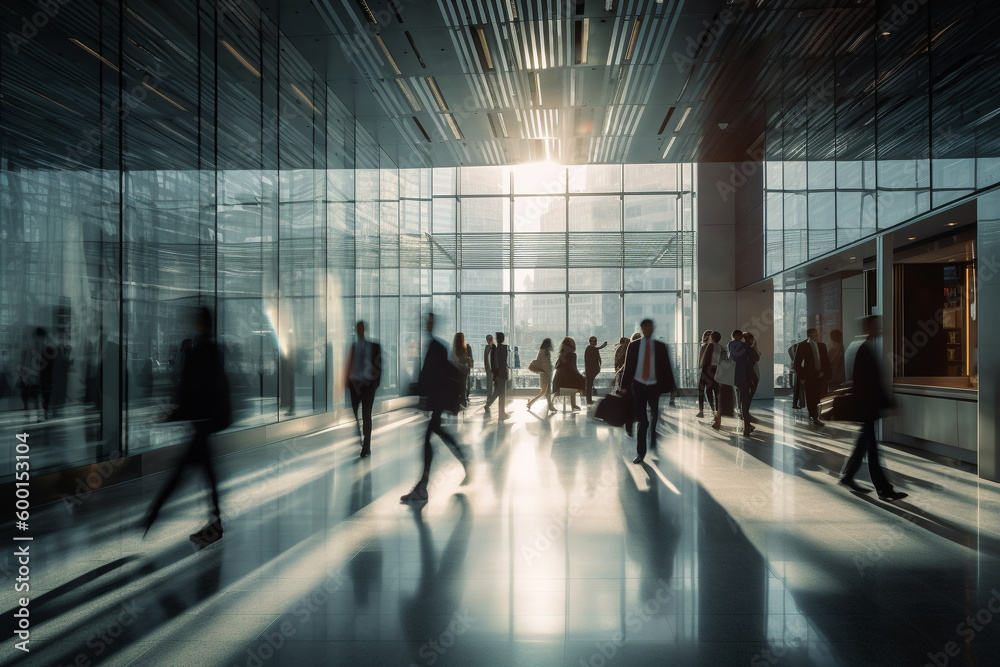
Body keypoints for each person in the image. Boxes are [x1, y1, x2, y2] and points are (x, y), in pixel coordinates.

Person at [144, 306, 231, 546]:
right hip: (208, 422)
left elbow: (189, 391)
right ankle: (213, 524)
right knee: (205, 473)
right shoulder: (214, 351)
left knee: (183, 473)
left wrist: (171, 414)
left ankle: (153, 513)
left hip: (201, 422)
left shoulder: (199, 352)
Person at [401, 312, 470, 502]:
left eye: (428, 322)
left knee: (428, 440)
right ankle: (464, 461)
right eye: (425, 321)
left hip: (438, 401)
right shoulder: (435, 346)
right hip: (437, 401)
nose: (425, 324)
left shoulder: (436, 346)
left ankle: (422, 487)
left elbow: (439, 375)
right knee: (439, 434)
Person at [839, 316, 907, 501]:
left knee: (864, 445)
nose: (880, 328)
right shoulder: (865, 349)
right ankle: (884, 489)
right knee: (872, 450)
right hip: (867, 407)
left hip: (866, 407)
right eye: (876, 325)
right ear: (868, 327)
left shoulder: (861, 347)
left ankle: (848, 476)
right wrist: (889, 404)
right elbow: (871, 383)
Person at [622, 319, 675, 463]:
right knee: (642, 420)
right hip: (638, 386)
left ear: (653, 329)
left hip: (653, 386)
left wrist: (672, 387)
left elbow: (666, 367)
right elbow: (628, 368)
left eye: (650, 327)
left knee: (654, 415)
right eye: (645, 327)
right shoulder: (633, 346)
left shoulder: (660, 346)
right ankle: (641, 452)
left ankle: (653, 437)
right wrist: (624, 387)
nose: (648, 330)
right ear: (641, 329)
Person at [346, 321, 382, 458]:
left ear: (364, 330)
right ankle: (361, 438)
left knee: (366, 415)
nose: (359, 331)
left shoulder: (374, 346)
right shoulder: (354, 347)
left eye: (361, 328)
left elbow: (379, 367)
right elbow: (350, 365)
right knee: (356, 415)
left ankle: (366, 446)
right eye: (357, 329)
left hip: (367, 386)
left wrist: (375, 384)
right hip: (355, 385)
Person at [794, 327, 831, 426]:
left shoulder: (822, 346)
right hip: (809, 375)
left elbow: (825, 361)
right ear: (809, 336)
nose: (817, 336)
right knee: (811, 396)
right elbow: (797, 363)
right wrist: (803, 377)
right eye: (815, 335)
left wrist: (825, 372)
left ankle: (814, 414)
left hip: (820, 374)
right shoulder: (802, 346)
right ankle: (815, 417)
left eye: (817, 334)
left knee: (818, 396)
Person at [725, 329, 755, 437]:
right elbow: (753, 354)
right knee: (745, 402)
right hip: (743, 377)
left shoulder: (729, 345)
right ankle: (747, 426)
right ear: (740, 336)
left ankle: (746, 425)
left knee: (739, 402)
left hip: (734, 377)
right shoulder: (744, 346)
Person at [552, 337, 585, 411]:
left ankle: (552, 402)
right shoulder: (572, 355)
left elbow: (557, 366)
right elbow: (573, 368)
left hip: (558, 382)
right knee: (578, 381)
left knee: (574, 381)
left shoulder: (561, 355)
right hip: (568, 381)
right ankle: (573, 404)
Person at [485, 332, 511, 420]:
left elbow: (494, 362)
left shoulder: (496, 348)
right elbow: (503, 362)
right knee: (502, 394)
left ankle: (489, 405)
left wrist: (495, 373)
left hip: (498, 373)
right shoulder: (503, 348)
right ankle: (501, 413)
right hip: (502, 372)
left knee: (497, 392)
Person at [526, 338, 556, 413]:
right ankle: (531, 403)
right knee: (545, 391)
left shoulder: (541, 351)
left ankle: (550, 405)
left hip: (544, 373)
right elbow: (546, 364)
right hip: (546, 374)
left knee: (546, 391)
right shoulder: (546, 352)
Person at [697, 330, 717, 418]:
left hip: (707, 370)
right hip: (707, 370)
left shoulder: (710, 346)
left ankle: (706, 411)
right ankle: (708, 410)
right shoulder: (705, 346)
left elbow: (703, 360)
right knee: (706, 390)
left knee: (706, 390)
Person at [584, 337, 608, 405]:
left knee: (590, 386)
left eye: (594, 341)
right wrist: (603, 346)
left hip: (593, 370)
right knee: (589, 386)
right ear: (590, 341)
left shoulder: (592, 349)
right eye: (592, 341)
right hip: (590, 371)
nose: (593, 342)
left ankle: (589, 400)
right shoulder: (590, 349)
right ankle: (588, 400)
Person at [451, 332, 472, 409]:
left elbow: (454, 360)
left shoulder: (455, 348)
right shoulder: (466, 347)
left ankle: (458, 401)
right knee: (463, 385)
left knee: (458, 386)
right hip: (464, 370)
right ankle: (463, 400)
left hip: (457, 369)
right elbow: (469, 360)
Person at [743, 331, 761, 407]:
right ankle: (747, 404)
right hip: (751, 370)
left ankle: (743, 405)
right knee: (753, 384)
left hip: (741, 371)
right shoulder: (750, 349)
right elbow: (757, 358)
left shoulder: (740, 348)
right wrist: (755, 348)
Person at [788, 339, 803, 410]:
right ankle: (796, 403)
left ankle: (796, 403)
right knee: (797, 388)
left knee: (797, 388)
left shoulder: (792, 350)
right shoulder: (796, 348)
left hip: (796, 371)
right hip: (798, 371)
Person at [483, 334, 495, 406]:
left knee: (490, 384)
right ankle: (490, 398)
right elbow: (486, 358)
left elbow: (485, 358)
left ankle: (490, 398)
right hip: (491, 368)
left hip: (490, 368)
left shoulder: (489, 347)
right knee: (490, 384)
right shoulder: (491, 347)